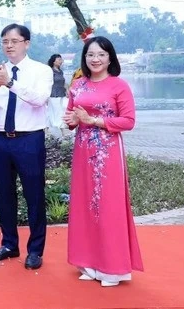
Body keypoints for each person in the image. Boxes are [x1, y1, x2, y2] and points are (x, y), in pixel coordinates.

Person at [63, 36, 142, 287]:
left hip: (108, 153)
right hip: (83, 151)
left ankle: (113, 269)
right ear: (84, 58)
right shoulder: (78, 85)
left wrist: (94, 121)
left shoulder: (119, 86)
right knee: (84, 204)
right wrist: (72, 121)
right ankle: (88, 263)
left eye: (101, 54)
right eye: (90, 55)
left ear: (110, 58)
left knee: (108, 205)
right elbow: (72, 116)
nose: (95, 59)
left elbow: (128, 121)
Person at [0, 23, 52, 270]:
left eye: (14, 41)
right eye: (5, 41)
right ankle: (9, 244)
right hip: (1, 139)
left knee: (34, 195)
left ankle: (35, 250)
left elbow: (39, 99)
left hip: (29, 139)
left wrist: (9, 83)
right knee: (4, 194)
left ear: (26, 43)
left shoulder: (41, 70)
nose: (9, 46)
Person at [46, 54, 68, 138]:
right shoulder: (50, 71)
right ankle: (61, 131)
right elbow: (47, 83)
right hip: (53, 94)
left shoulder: (60, 71)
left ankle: (48, 129)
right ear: (54, 61)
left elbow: (63, 83)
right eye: (59, 59)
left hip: (61, 94)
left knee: (59, 111)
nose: (61, 61)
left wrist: (67, 90)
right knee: (56, 112)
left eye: (61, 59)